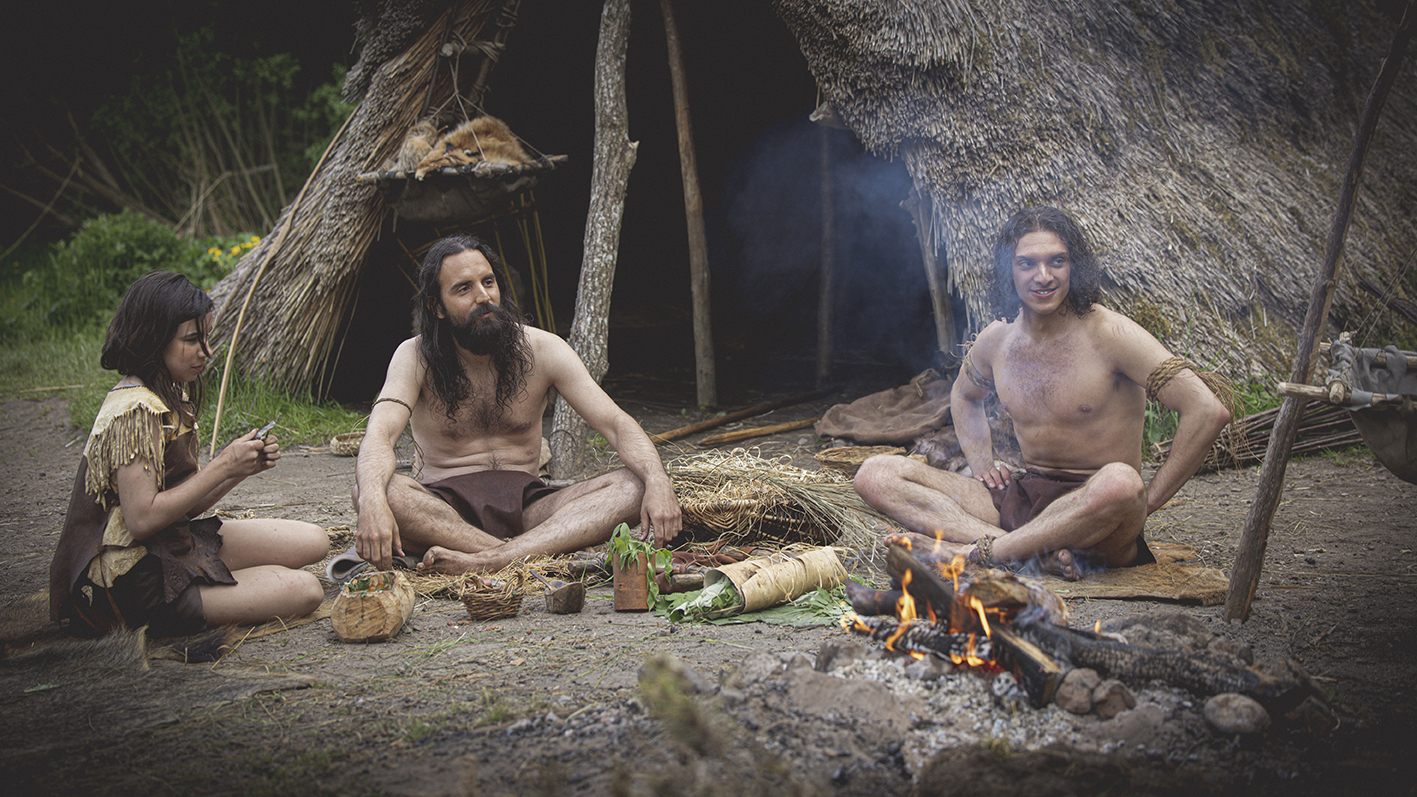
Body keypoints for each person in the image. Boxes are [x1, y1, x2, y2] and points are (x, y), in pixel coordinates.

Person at [853, 206, 1231, 579]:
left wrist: (1144, 504)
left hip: (1096, 512)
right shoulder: (997, 340)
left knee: (1121, 482)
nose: (1044, 276)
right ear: (1009, 271)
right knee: (876, 474)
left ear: (1074, 266)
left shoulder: (1111, 334)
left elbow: (1206, 409)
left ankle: (981, 552)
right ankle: (1026, 553)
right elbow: (964, 396)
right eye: (1027, 264)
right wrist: (983, 465)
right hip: (1023, 498)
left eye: (1057, 261)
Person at [352, 234, 681, 575]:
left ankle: (492, 560)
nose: (483, 297)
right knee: (375, 490)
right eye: (463, 289)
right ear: (437, 307)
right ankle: (528, 553)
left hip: (529, 508)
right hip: (443, 512)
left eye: (489, 282)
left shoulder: (542, 349)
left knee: (632, 487)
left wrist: (658, 481)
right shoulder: (414, 356)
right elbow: (380, 433)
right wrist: (373, 501)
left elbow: (615, 423)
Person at [49, 271, 328, 637]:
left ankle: (226, 584)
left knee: (315, 541)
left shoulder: (168, 396)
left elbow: (184, 506)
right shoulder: (135, 410)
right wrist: (222, 465)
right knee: (306, 590)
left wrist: (239, 469)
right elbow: (142, 519)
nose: (206, 353)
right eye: (193, 340)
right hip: (138, 579)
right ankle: (182, 606)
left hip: (170, 545)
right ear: (154, 339)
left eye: (206, 338)